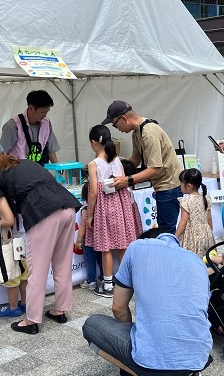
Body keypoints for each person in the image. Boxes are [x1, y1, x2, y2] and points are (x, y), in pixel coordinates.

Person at [0, 140, 81, 334]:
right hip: (68, 208)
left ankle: (31, 321)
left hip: (44, 214)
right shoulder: (23, 162)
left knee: (36, 272)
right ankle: (60, 310)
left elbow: (7, 220)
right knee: (62, 265)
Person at [82, 230, 212, 376]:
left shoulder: (137, 247)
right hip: (198, 359)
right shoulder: (197, 261)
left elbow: (118, 307)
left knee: (91, 325)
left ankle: (144, 375)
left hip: (152, 363)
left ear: (147, 240)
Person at [102, 101, 183, 233]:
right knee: (163, 229)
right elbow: (135, 160)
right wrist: (114, 167)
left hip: (169, 186)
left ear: (124, 118)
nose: (118, 129)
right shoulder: (137, 132)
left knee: (166, 231)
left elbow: (155, 169)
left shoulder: (149, 133)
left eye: (115, 125)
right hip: (162, 186)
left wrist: (127, 180)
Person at [85, 125, 142, 298]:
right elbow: (124, 182)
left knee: (106, 247)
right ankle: (126, 281)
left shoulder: (94, 164)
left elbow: (94, 192)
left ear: (94, 143)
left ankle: (108, 285)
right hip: (121, 205)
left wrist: (90, 214)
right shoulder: (117, 160)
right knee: (122, 244)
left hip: (104, 207)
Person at [0, 90, 60, 166]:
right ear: (31, 108)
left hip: (38, 170)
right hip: (18, 172)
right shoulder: (13, 125)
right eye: (42, 112)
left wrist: (59, 171)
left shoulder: (46, 123)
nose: (44, 115)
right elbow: (1, 154)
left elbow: (51, 149)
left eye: (46, 112)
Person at [175, 168, 215, 257]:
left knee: (194, 259)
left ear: (188, 186)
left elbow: (183, 221)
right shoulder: (206, 199)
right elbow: (209, 219)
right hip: (206, 233)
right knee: (207, 258)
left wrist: (175, 237)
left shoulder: (186, 201)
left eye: (181, 184)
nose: (180, 186)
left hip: (192, 237)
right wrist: (210, 233)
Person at [75, 182, 103, 290]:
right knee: (101, 260)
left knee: (90, 261)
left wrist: (78, 241)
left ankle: (91, 281)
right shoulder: (101, 208)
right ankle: (103, 278)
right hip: (100, 239)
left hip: (88, 241)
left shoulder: (86, 210)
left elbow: (83, 226)